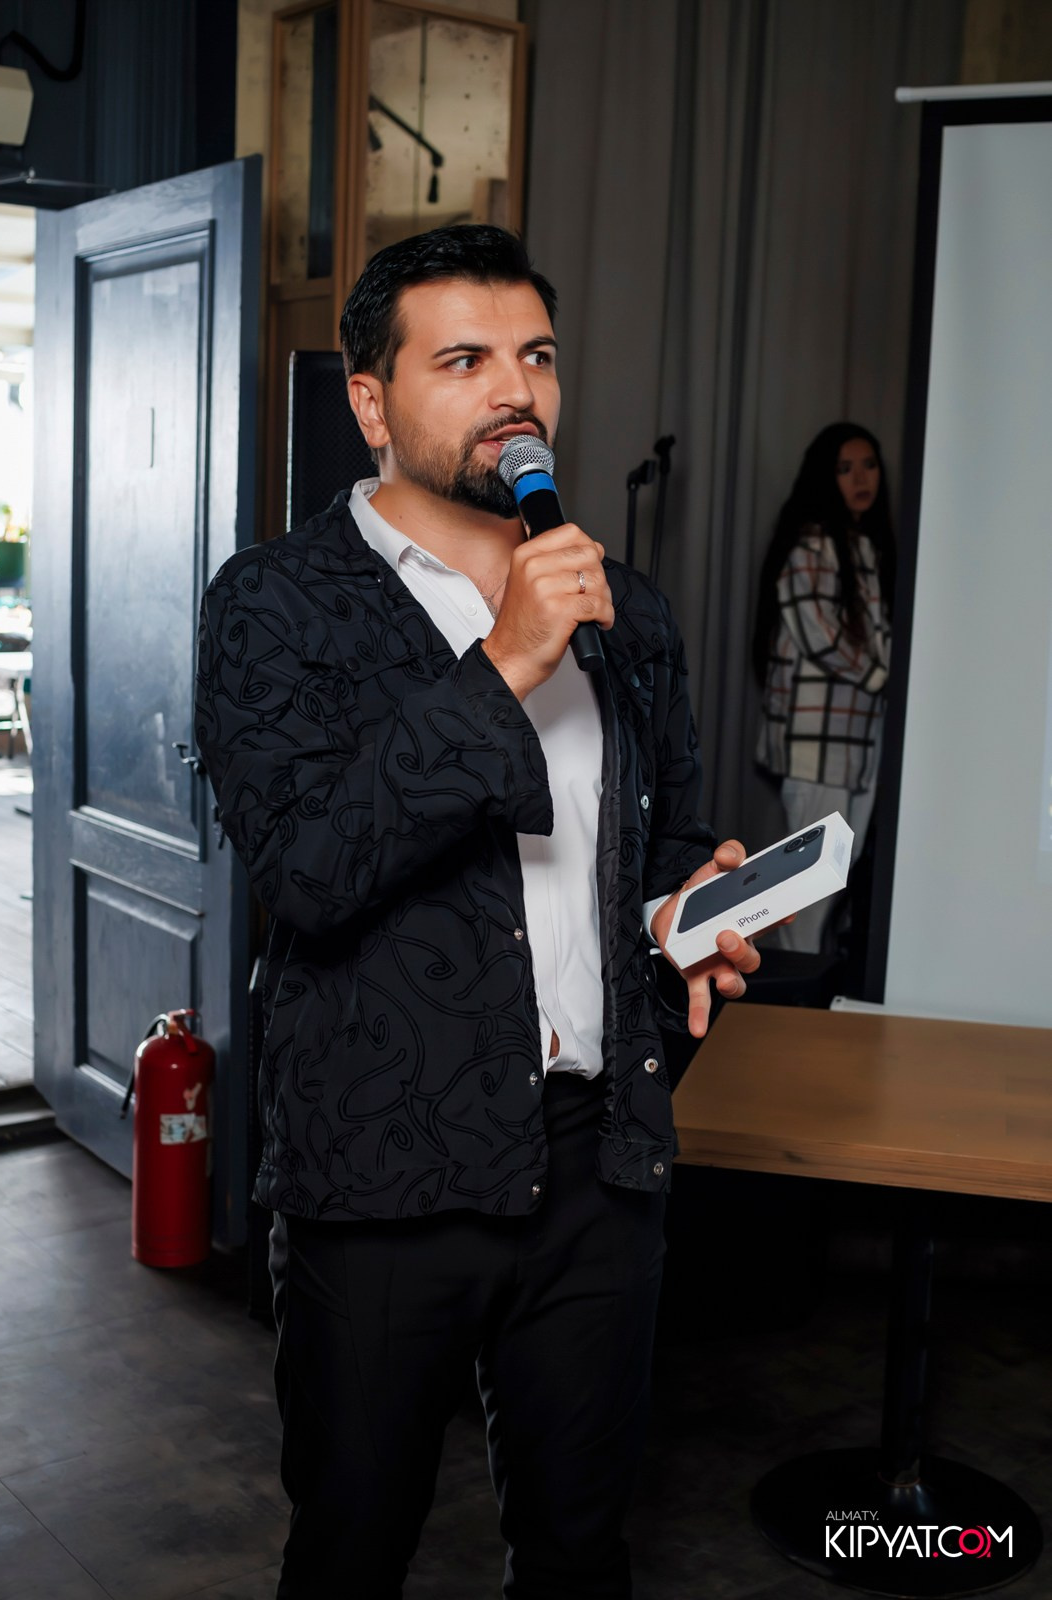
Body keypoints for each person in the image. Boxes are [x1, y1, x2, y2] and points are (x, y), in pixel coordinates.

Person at [195, 224, 762, 1600]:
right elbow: (308, 869)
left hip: (596, 1164)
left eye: (536, 355)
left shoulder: (625, 609)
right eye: (463, 360)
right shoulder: (274, 605)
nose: (515, 389)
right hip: (380, 1167)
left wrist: (687, 906)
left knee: (577, 1549)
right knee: (351, 1550)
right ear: (371, 401)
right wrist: (503, 658)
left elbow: (656, 840)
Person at [752, 422, 895, 954]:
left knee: (836, 879)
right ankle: (792, 994)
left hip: (862, 741)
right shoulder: (813, 543)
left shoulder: (867, 546)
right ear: (824, 477)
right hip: (817, 744)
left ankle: (804, 988)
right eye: (845, 469)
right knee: (807, 893)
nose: (861, 479)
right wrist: (885, 678)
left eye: (869, 466)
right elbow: (820, 633)